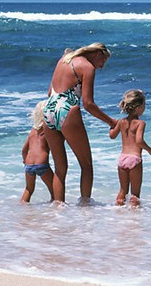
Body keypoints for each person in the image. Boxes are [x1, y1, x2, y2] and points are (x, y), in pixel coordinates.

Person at [43, 43, 116, 204]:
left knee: (60, 169)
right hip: (67, 110)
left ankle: (57, 209)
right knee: (86, 165)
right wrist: (111, 121)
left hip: (48, 109)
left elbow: (50, 92)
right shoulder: (87, 67)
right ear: (97, 53)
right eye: (103, 61)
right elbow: (88, 104)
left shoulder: (63, 60)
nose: (102, 66)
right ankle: (85, 209)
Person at [109, 89, 151, 207]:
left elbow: (112, 136)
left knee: (122, 191)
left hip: (122, 159)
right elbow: (139, 141)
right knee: (135, 195)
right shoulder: (140, 123)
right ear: (138, 107)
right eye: (144, 105)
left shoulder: (121, 122)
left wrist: (111, 126)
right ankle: (134, 217)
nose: (144, 108)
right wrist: (149, 150)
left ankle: (118, 212)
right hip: (134, 159)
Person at [21, 100, 54, 203]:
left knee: (28, 189)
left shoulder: (33, 131)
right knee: (54, 189)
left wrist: (25, 161)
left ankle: (21, 207)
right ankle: (54, 209)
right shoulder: (48, 129)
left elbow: (24, 150)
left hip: (29, 164)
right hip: (42, 163)